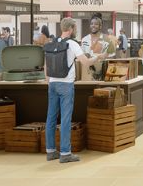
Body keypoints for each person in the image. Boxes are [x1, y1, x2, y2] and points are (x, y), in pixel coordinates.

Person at [45, 17, 107, 163]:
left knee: (51, 118)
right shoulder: (72, 44)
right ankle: (65, 153)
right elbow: (85, 63)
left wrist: (50, 83)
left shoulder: (51, 43)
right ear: (72, 29)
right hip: (66, 84)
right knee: (66, 119)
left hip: (52, 84)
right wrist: (98, 57)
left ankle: (50, 151)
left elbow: (45, 67)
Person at [81, 13, 116, 81]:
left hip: (102, 73)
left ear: (100, 26)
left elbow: (111, 55)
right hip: (88, 72)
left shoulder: (107, 39)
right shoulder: (84, 39)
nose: (93, 26)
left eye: (96, 24)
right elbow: (83, 54)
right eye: (92, 24)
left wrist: (103, 55)